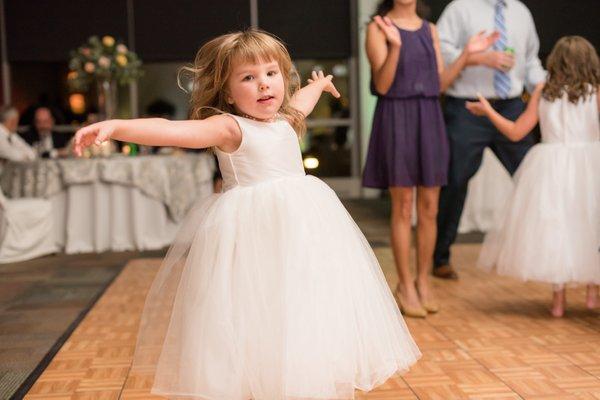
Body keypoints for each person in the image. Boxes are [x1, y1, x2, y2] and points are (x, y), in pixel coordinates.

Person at [74, 29, 421, 399]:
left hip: (301, 233)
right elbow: (172, 130)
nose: (263, 85)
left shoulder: (286, 120)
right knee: (257, 311)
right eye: (248, 78)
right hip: (254, 236)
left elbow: (301, 100)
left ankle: (301, 376)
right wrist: (116, 127)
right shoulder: (228, 127)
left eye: (271, 74)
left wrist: (318, 86)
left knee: (303, 304)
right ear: (227, 91)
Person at [361, 0, 498, 317]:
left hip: (429, 116)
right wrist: (395, 46)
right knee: (403, 204)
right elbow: (382, 84)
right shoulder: (378, 27)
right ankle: (405, 285)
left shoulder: (431, 30)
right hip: (395, 116)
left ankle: (424, 281)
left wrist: (466, 54)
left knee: (430, 207)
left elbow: (440, 85)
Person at [466, 36, 600, 318]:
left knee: (557, 227)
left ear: (556, 62)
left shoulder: (543, 91)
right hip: (590, 164)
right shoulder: (595, 92)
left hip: (551, 167)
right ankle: (592, 292)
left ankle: (558, 299)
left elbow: (516, 132)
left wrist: (489, 111)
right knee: (589, 222)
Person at [433, 0, 547, 280]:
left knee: (533, 176)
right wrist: (478, 58)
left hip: (510, 106)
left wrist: (547, 89)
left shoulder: (520, 11)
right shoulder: (460, 8)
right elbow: (443, 53)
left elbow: (531, 61)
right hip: (466, 107)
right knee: (455, 180)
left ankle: (546, 253)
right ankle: (440, 258)